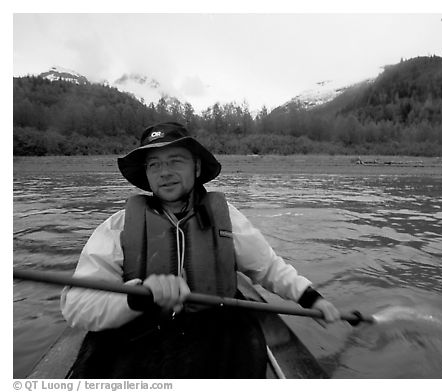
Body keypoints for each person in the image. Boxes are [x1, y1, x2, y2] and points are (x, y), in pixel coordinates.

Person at [60, 121, 341, 378]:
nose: (165, 172)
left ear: (196, 167)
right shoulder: (117, 226)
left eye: (175, 161)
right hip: (141, 332)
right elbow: (77, 306)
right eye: (154, 165)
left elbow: (267, 267)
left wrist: (311, 299)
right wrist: (136, 297)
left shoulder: (227, 217)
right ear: (146, 175)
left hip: (216, 333)